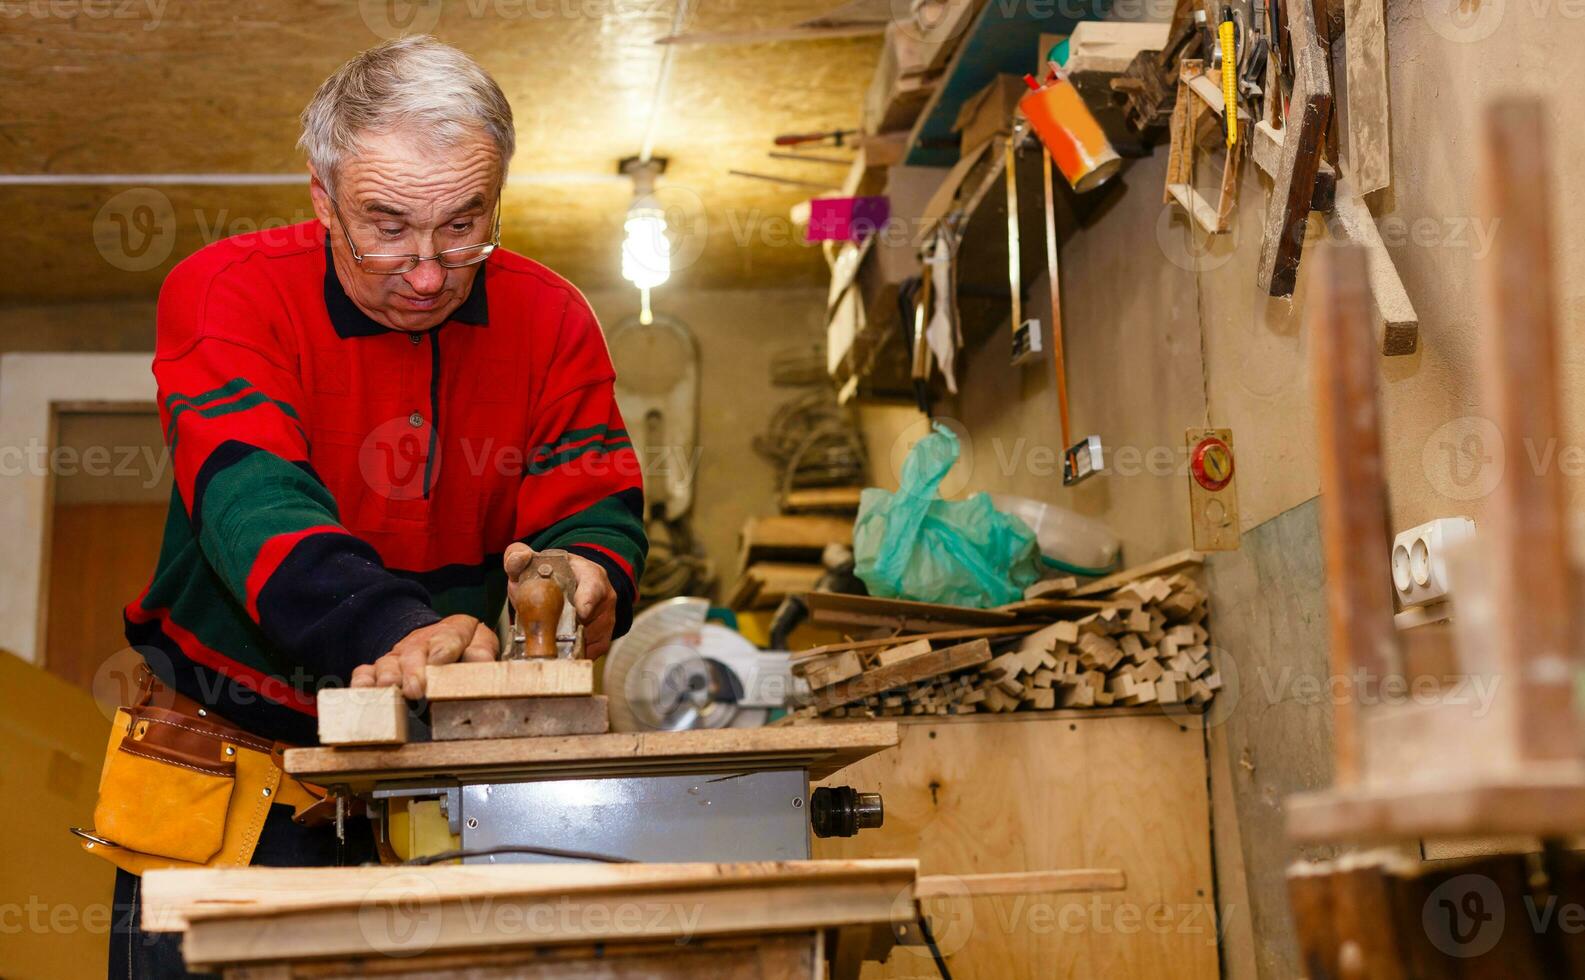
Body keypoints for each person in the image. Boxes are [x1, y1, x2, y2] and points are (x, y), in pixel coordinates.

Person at [91, 36, 646, 978]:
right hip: (230, 773)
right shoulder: (227, 293)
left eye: (465, 224)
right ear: (322, 196)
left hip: (445, 783)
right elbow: (256, 504)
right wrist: (400, 629)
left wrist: (584, 576)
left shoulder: (550, 319)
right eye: (386, 225)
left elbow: (593, 502)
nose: (427, 272)